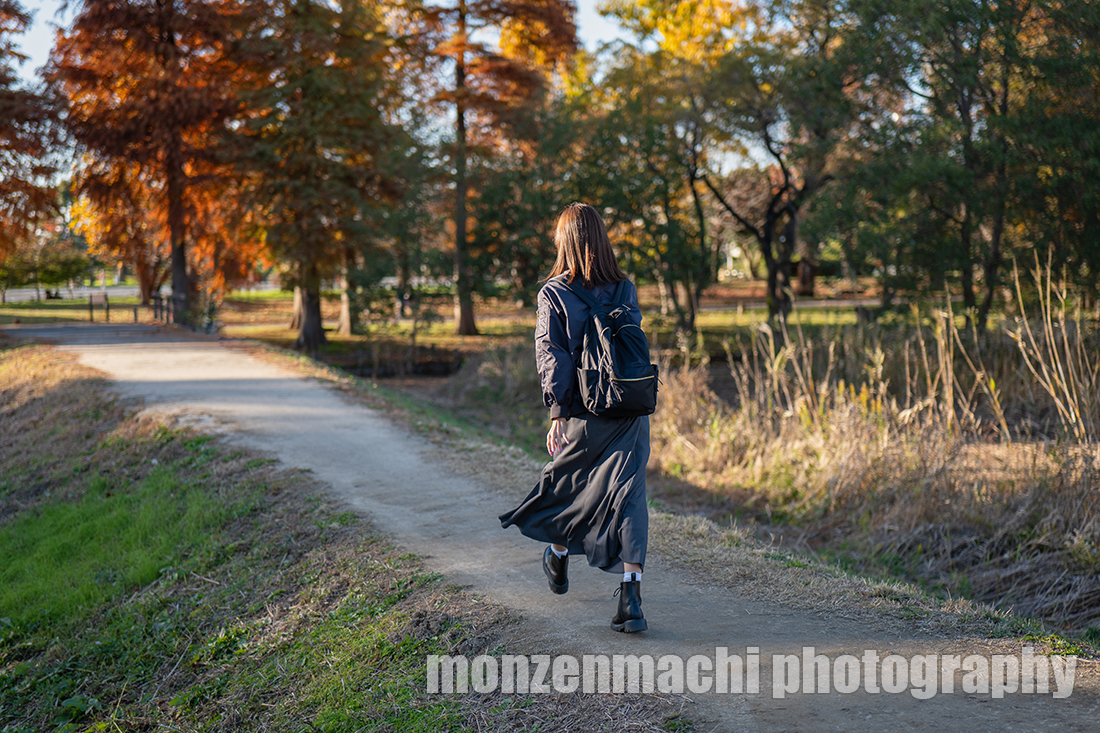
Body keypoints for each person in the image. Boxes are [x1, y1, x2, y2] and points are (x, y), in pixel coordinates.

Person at [499, 202, 650, 633]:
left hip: (586, 409)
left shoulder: (554, 293)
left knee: (566, 484)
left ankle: (558, 553)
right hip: (630, 406)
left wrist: (558, 413)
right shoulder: (624, 288)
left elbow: (553, 355)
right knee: (630, 494)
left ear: (564, 241)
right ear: (601, 237)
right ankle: (631, 598)